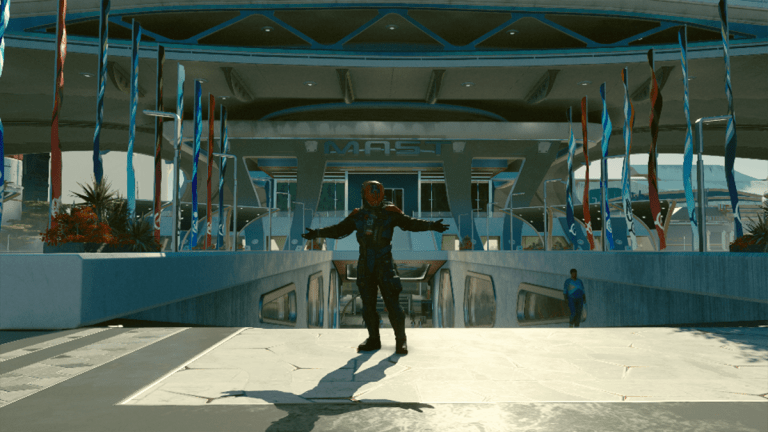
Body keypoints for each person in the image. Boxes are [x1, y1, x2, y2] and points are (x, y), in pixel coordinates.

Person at [302, 180, 449, 355]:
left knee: (393, 305)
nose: (374, 198)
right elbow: (338, 229)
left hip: (384, 263)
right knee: (367, 306)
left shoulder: (390, 213)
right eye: (370, 194)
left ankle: (400, 341)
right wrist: (317, 233)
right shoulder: (358, 215)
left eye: (376, 194)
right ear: (364, 195)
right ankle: (374, 339)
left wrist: (432, 226)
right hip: (366, 264)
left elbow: (410, 223)